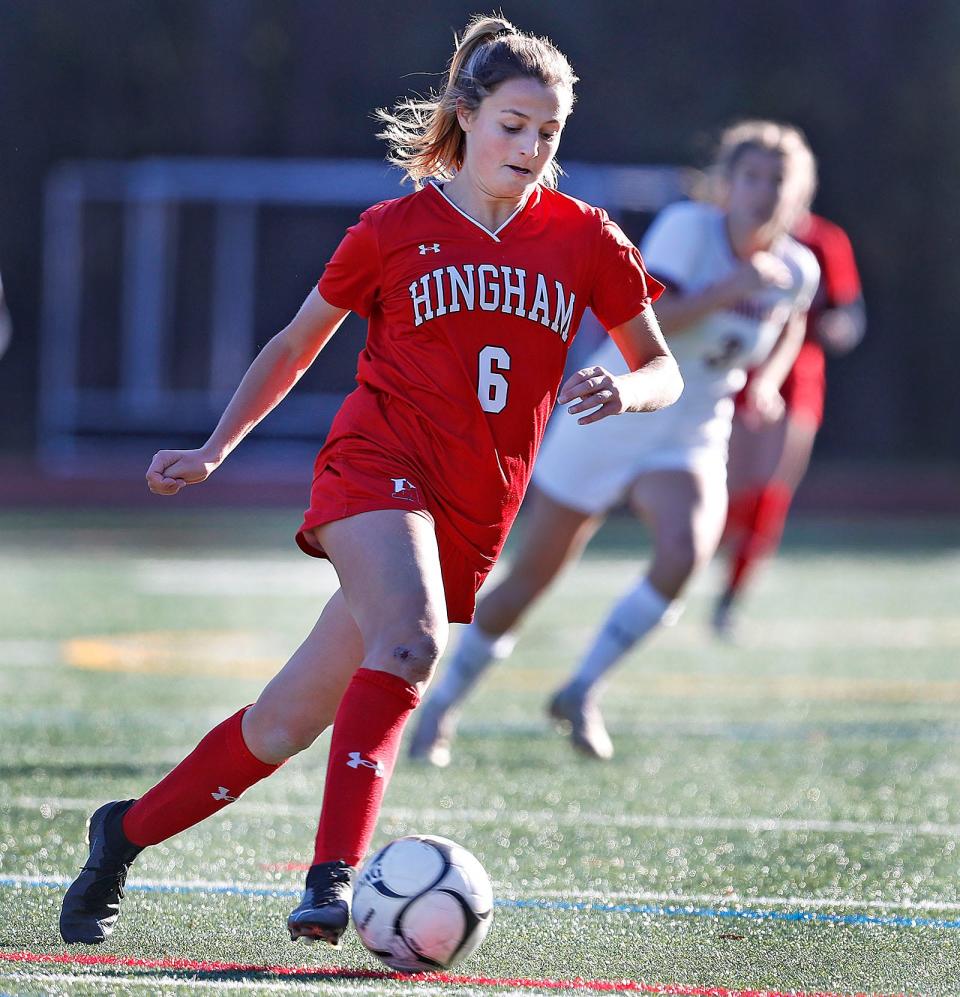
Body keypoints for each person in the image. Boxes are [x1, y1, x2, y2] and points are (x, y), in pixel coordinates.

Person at [58, 14, 682, 948]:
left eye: (549, 132)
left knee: (285, 721)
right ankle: (332, 879)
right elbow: (297, 342)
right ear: (465, 116)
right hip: (374, 469)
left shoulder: (585, 238)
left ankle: (123, 833)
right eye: (513, 124)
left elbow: (662, 367)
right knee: (413, 639)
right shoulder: (395, 229)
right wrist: (218, 446)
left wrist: (628, 388)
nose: (530, 146)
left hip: (474, 508)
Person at [409, 119, 820, 765]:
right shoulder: (691, 230)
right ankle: (441, 705)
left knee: (685, 553)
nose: (764, 192)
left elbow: (789, 324)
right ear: (727, 183)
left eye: (779, 181)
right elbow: (641, 319)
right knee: (532, 579)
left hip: (689, 428)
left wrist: (766, 381)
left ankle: (581, 688)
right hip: (611, 409)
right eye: (752, 177)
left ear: (798, 196)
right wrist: (729, 291)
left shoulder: (798, 266)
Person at [713, 212, 865, 638]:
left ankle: (731, 595)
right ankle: (694, 564)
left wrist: (841, 329)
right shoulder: (722, 232)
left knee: (769, 494)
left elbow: (848, 314)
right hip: (732, 372)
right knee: (726, 492)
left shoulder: (821, 242)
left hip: (796, 383)